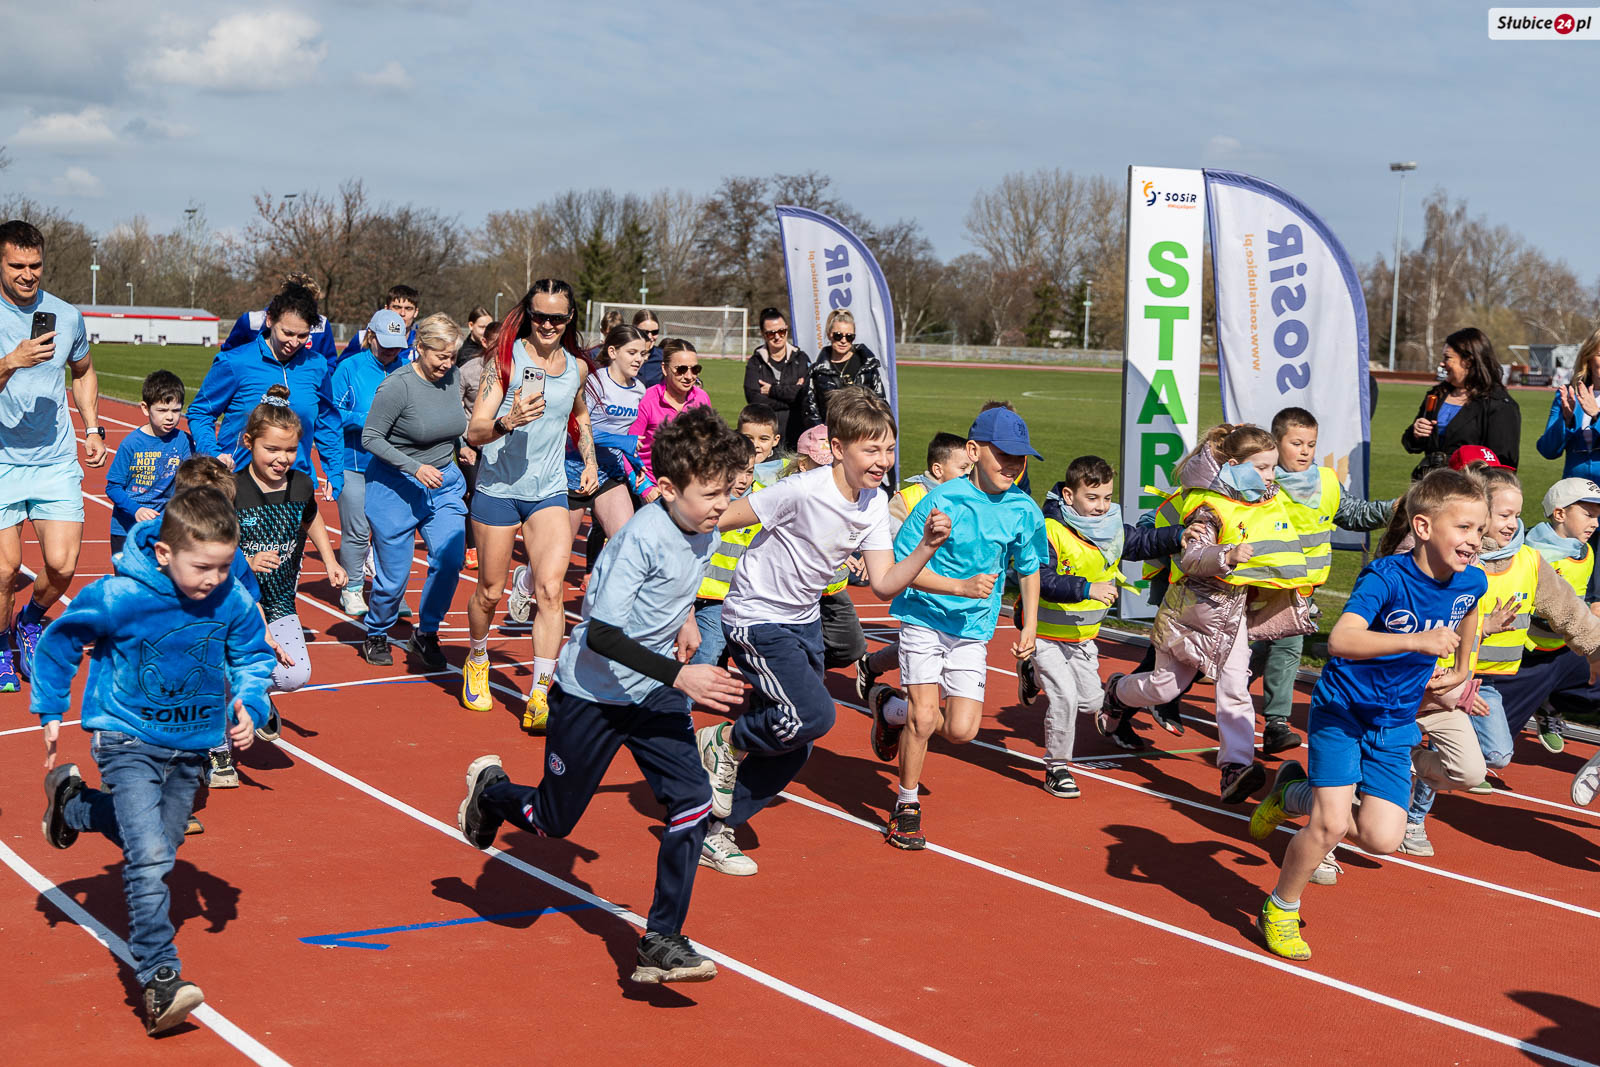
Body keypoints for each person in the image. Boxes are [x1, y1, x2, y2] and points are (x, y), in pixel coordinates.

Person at [455, 406, 747, 985]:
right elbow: (604, 633)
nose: (721, 505)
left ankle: (661, 939)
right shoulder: (641, 537)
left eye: (727, 493)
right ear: (666, 489)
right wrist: (681, 675)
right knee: (551, 821)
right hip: (591, 693)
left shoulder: (701, 526)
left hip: (654, 695)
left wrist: (685, 618)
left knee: (692, 801)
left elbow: (674, 585)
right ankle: (492, 793)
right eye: (712, 494)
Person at [34, 487, 276, 1033]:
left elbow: (253, 657)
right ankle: (159, 977)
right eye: (203, 567)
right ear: (165, 554)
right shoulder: (122, 595)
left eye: (224, 566)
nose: (214, 579)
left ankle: (73, 806)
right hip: (126, 738)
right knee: (149, 859)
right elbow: (61, 640)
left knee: (161, 845)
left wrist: (250, 703)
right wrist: (50, 704)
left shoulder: (230, 598)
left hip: (190, 745)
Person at [694, 387, 950, 877]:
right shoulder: (801, 490)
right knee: (814, 715)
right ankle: (724, 741)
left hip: (803, 621)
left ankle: (712, 828)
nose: (883, 460)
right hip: (755, 616)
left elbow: (883, 584)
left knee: (797, 742)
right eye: (871, 449)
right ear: (838, 449)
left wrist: (926, 547)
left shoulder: (874, 503)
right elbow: (721, 519)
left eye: (890, 449)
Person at [1248, 469, 1488, 961]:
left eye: (1480, 530)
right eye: (1464, 528)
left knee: (1382, 838)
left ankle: (1292, 791)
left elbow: (1470, 611)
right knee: (1331, 825)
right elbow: (1341, 640)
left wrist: (1464, 668)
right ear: (1422, 527)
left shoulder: (1473, 580)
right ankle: (1281, 907)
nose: (1474, 540)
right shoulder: (1386, 577)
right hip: (1342, 713)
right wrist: (1417, 641)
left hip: (1395, 723)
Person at [1098, 423, 1315, 803]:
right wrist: (1225, 556)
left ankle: (1235, 766)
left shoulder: (1266, 500)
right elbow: (1192, 555)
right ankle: (1117, 691)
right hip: (1191, 613)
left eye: (1272, 467)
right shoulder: (1207, 506)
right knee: (1165, 686)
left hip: (1234, 617)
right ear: (1234, 464)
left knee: (1234, 688)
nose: (1270, 476)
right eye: (1262, 468)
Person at [863, 406, 1045, 849]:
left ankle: (889, 709)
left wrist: (1029, 625)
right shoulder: (942, 500)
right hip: (925, 615)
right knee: (925, 718)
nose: (1013, 466)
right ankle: (906, 806)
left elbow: (1029, 567)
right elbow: (898, 570)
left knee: (963, 730)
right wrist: (960, 586)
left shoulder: (1023, 509)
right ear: (973, 451)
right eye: (1003, 456)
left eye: (1020, 459)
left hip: (973, 627)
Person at [1399, 463, 1600, 857]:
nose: (1511, 524)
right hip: (1434, 674)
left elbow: (1569, 612)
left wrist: (1596, 651)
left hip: (1487, 681)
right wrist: (1483, 628)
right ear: (1478, 514)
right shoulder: (1456, 560)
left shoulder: (1527, 560)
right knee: (1388, 744)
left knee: (1496, 756)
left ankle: (1409, 768)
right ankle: (1411, 815)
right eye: (1502, 515)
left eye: (1516, 515)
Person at [463, 279, 598, 728]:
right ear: (528, 313)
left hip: (549, 490)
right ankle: (478, 658)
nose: (547, 324)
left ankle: (541, 693)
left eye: (557, 318)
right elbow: (475, 431)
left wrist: (590, 459)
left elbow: (578, 413)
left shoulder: (576, 368)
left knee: (551, 590)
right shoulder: (504, 360)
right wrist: (508, 420)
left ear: (570, 319)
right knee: (489, 592)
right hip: (498, 490)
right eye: (539, 315)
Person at [1012, 455, 1187, 798]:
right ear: (1067, 495)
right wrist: (1087, 588)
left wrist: (1179, 534)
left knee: (1092, 703)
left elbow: (1143, 543)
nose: (1101, 505)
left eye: (1107, 497)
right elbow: (1042, 579)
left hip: (1082, 637)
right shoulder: (1049, 529)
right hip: (1044, 633)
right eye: (1091, 498)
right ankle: (1057, 767)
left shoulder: (1112, 529)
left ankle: (1031, 676)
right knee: (1063, 697)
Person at [1248, 407, 1395, 754]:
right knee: (1273, 648)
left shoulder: (1327, 481)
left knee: (1279, 647)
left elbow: (1355, 514)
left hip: (1302, 587)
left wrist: (1393, 509)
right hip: (1262, 585)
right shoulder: (1259, 483)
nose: (1304, 451)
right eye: (1296, 443)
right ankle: (1271, 723)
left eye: (1311, 444)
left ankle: (1263, 711)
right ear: (1275, 443)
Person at [0, 218, 106, 693]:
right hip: (1, 461)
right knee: (3, 570)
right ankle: (2, 645)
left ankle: (30, 620)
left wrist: (92, 426)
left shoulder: (66, 315)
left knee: (63, 567)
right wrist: (10, 362)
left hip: (55, 460)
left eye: (35, 265)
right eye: (17, 265)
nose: (28, 274)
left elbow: (82, 372)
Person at [219, 386, 344, 784]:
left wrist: (330, 560)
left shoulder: (301, 485)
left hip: (279, 602)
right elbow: (216, 550)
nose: (281, 459)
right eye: (272, 449)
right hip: (235, 605)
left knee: (295, 675)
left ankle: (260, 699)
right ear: (249, 442)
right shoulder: (232, 492)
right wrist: (247, 562)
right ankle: (219, 753)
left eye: (289, 450)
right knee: (222, 673)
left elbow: (311, 519)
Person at [359, 313, 469, 671]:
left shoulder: (451, 378)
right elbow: (370, 437)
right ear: (419, 348)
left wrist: (463, 443)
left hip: (444, 484)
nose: (447, 363)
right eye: (440, 355)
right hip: (396, 487)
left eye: (452, 356)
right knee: (394, 579)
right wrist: (414, 467)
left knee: (451, 559)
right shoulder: (397, 386)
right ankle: (376, 630)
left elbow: (451, 421)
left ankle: (427, 634)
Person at [186, 283, 344, 501]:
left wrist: (334, 471)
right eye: (287, 333)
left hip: (295, 486)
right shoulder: (235, 362)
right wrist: (213, 454)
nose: (294, 342)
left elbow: (327, 421)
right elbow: (200, 412)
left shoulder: (317, 366)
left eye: (302, 336)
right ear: (270, 321)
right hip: (238, 484)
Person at [853, 430, 976, 703]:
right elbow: (883, 535)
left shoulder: (967, 499)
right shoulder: (909, 499)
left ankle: (871, 665)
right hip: (916, 587)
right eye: (964, 468)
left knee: (931, 644)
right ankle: (903, 710)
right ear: (937, 469)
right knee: (921, 653)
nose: (970, 475)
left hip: (951, 588)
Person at [330, 309, 413, 616]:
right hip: (356, 465)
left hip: (395, 466)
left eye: (397, 344)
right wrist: (367, 420)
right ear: (370, 336)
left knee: (392, 531)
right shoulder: (349, 368)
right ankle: (352, 587)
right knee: (357, 530)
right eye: (385, 342)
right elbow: (331, 415)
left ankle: (390, 591)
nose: (392, 350)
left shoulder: (407, 369)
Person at [562, 324, 653, 583]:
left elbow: (633, 440)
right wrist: (619, 440)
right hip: (574, 470)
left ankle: (602, 594)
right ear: (612, 351)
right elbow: (573, 431)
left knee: (625, 541)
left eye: (643, 354)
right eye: (632, 352)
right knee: (558, 554)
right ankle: (526, 582)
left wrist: (637, 466)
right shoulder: (592, 382)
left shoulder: (640, 390)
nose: (639, 359)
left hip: (611, 473)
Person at [1401, 326, 1521, 478]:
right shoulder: (1436, 395)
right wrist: (1416, 433)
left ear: (1468, 361)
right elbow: (1411, 444)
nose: (1442, 364)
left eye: (1448, 358)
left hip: (1468, 492)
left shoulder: (1499, 404)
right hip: (1428, 486)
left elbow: (1504, 465)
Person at [1535, 326, 1600, 595]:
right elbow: (1548, 449)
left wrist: (1597, 416)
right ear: (1588, 357)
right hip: (1575, 498)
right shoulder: (1569, 393)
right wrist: (1567, 419)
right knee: (1573, 574)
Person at [689, 436, 758, 677]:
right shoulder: (696, 496)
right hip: (682, 592)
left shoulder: (761, 501)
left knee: (708, 651)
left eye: (749, 471)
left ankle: (679, 711)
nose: (743, 479)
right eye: (736, 470)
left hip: (720, 599)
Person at [104, 371, 193, 555]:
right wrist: (136, 510)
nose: (170, 417)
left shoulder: (184, 441)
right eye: (162, 410)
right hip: (127, 529)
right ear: (145, 408)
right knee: (128, 582)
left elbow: (189, 480)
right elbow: (113, 487)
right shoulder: (131, 444)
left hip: (164, 528)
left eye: (176, 410)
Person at [630, 339, 711, 480]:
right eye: (681, 369)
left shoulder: (702, 398)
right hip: (653, 481)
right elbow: (629, 450)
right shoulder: (646, 400)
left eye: (695, 369)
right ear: (664, 368)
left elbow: (707, 443)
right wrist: (646, 488)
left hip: (690, 481)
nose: (689, 376)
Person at [458, 320, 500, 571]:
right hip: (472, 444)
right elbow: (456, 407)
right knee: (474, 494)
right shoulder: (468, 370)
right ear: (484, 343)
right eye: (496, 344)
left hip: (502, 444)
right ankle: (472, 546)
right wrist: (466, 439)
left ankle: (492, 544)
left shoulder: (514, 370)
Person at [220, 272, 338, 360]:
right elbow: (228, 354)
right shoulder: (252, 321)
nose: (294, 342)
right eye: (287, 333)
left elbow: (329, 362)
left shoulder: (321, 324)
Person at [803, 308, 886, 429]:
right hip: (830, 436)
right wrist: (822, 435)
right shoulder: (817, 371)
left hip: (862, 432)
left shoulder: (867, 365)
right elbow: (810, 409)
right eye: (838, 335)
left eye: (849, 337)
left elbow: (880, 402)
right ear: (829, 334)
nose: (843, 340)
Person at [743, 307, 809, 451]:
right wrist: (791, 396)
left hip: (797, 432)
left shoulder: (801, 358)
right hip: (766, 437)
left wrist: (772, 390)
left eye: (781, 331)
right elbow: (755, 399)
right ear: (763, 334)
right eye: (771, 333)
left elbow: (803, 395)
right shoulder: (755, 362)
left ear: (786, 329)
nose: (777, 337)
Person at [888, 432, 971, 537]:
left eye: (972, 467)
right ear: (938, 470)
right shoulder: (906, 500)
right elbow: (891, 542)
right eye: (963, 468)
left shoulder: (970, 496)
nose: (969, 473)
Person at [338, 284, 419, 361]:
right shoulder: (363, 337)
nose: (402, 313)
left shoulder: (422, 342)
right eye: (397, 307)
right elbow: (341, 368)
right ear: (386, 309)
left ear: (416, 312)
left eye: (408, 308)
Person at [632, 308, 666, 387]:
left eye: (654, 332)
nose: (650, 337)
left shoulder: (664, 357)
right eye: (645, 332)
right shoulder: (623, 356)